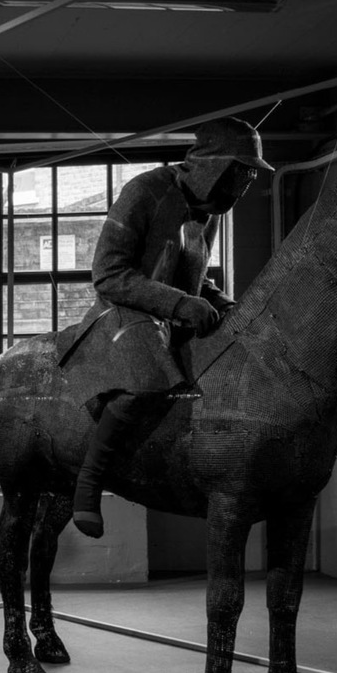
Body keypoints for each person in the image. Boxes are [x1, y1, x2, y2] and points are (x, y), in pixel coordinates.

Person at [70, 116, 272, 538]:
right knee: (147, 379)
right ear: (214, 166)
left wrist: (225, 306)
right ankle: (88, 485)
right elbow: (108, 273)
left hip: (170, 313)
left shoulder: (207, 213)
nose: (247, 182)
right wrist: (180, 302)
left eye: (252, 173)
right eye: (243, 171)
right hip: (124, 309)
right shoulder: (144, 192)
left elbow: (193, 278)